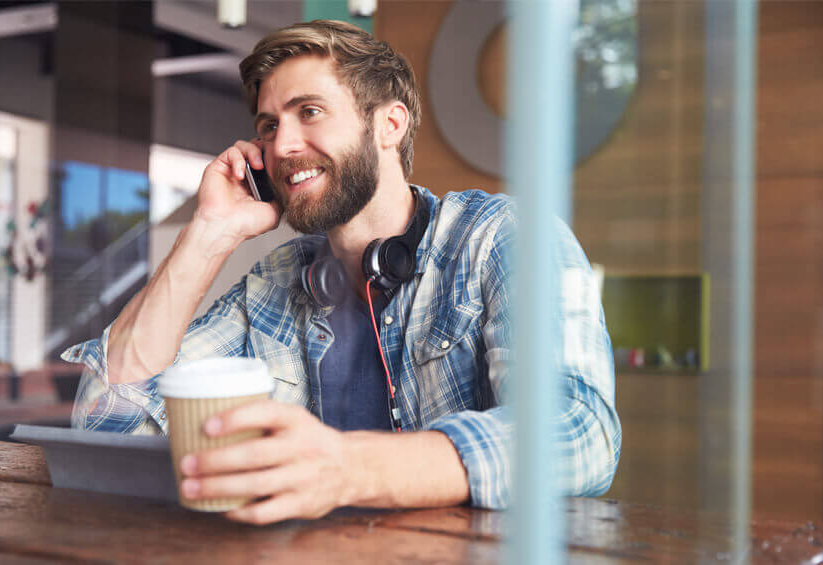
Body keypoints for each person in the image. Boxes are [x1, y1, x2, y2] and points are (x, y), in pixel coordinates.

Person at [63, 20, 621, 525]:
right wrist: (209, 232)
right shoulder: (275, 283)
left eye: (309, 112)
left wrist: (349, 468)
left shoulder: (501, 237)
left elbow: (579, 430)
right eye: (267, 125)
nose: (281, 146)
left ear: (389, 125)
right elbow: (106, 422)